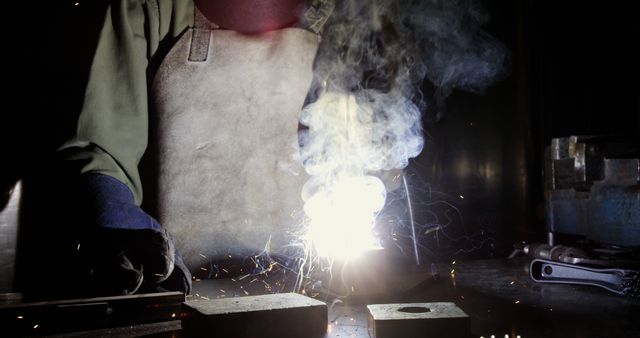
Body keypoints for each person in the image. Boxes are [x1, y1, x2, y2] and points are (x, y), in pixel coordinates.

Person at [12, 0, 334, 298]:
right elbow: (99, 140)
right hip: (165, 294)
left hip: (293, 294)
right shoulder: (149, 6)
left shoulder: (330, 16)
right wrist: (111, 210)